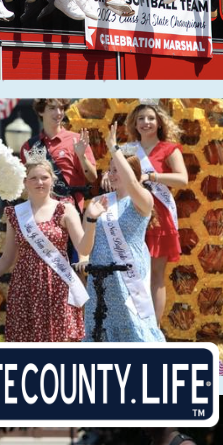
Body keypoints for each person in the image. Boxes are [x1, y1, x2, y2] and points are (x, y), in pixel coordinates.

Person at [0, 154, 87, 342]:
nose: (39, 182)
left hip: (57, 284)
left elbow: (83, 247)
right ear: (25, 182)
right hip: (24, 286)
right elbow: (6, 259)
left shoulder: (65, 209)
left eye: (44, 177)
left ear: (52, 180)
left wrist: (91, 222)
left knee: (59, 339)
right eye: (34, 178)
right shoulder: (16, 214)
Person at [76, 125, 166, 343]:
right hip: (101, 280)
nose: (111, 173)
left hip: (129, 278)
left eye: (118, 169)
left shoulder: (142, 200)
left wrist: (114, 148)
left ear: (131, 172)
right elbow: (84, 249)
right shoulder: (99, 202)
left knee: (134, 332)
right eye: (110, 168)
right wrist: (91, 219)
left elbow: (133, 184)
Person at [120, 102, 186, 321]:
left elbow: (182, 179)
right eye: (140, 119)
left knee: (156, 275)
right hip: (132, 214)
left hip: (160, 216)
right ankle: (134, 326)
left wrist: (151, 177)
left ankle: (153, 330)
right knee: (134, 273)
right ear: (134, 124)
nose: (145, 123)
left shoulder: (169, 149)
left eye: (150, 118)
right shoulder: (127, 150)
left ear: (159, 123)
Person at [20, 98, 100, 210]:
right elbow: (24, 184)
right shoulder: (29, 146)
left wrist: (82, 157)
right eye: (52, 108)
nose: (58, 113)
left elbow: (92, 177)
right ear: (41, 111)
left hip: (69, 212)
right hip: (40, 212)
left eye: (61, 108)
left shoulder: (77, 140)